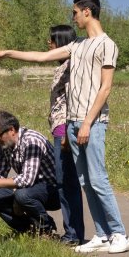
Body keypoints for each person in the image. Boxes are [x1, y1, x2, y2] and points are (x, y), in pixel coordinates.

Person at [0, 0, 129, 254]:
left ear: (86, 11)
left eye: (74, 12)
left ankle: (119, 233)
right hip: (72, 124)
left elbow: (105, 89)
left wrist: (86, 124)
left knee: (98, 178)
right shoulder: (78, 45)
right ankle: (102, 235)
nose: (72, 17)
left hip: (90, 122)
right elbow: (40, 57)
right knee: (84, 181)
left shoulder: (107, 45)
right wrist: (7, 53)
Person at [0, 111, 60, 235]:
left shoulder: (32, 141)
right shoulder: (4, 145)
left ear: (11, 130)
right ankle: (29, 229)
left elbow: (27, 180)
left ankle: (47, 230)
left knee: (22, 195)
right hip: (32, 189)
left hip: (56, 191)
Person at [47, 25, 84, 245]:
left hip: (64, 131)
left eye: (52, 40)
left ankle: (73, 235)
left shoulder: (70, 66)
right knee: (65, 182)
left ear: (61, 42)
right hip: (60, 129)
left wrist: (67, 134)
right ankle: (72, 232)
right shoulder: (64, 66)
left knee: (67, 182)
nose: (49, 44)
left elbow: (72, 99)